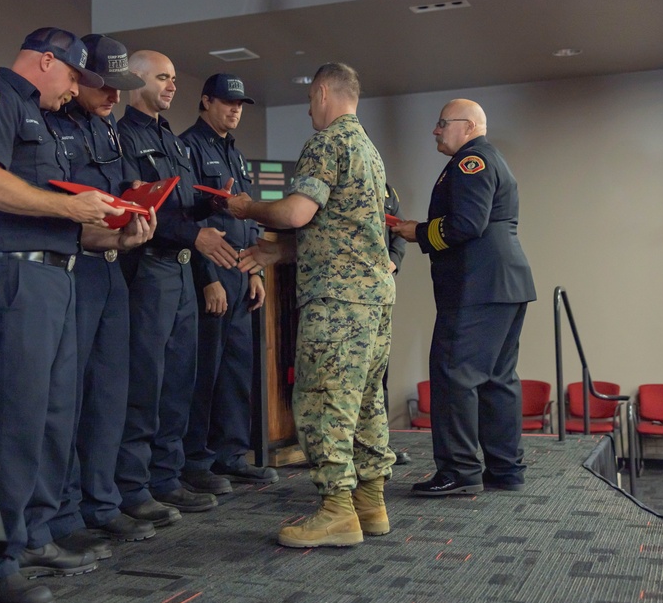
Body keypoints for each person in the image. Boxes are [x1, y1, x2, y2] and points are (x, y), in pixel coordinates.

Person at [0, 27, 120, 603]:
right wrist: (71, 206)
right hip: (16, 277)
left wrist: (113, 232)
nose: (76, 89)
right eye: (73, 76)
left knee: (53, 415)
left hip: (61, 272)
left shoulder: (44, 118)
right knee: (16, 418)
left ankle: (35, 536)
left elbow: (57, 216)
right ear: (45, 61)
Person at [227, 62, 396, 548]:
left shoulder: (327, 142)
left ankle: (336, 511)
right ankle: (370, 503)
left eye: (309, 101)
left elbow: (297, 212)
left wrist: (248, 208)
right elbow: (342, 232)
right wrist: (277, 251)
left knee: (324, 400)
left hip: (338, 303)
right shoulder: (369, 150)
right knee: (365, 402)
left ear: (322, 92)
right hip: (373, 298)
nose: (308, 111)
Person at [42, 35, 158, 560]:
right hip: (71, 271)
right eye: (106, 86)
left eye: (121, 88)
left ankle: (102, 502)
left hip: (111, 267)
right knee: (67, 396)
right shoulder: (51, 126)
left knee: (111, 391)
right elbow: (59, 210)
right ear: (79, 77)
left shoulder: (109, 129)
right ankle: (64, 512)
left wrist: (131, 225)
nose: (115, 96)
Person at [114, 50, 239, 525]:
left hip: (182, 271)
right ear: (137, 82)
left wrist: (214, 209)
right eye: (162, 78)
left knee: (179, 380)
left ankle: (167, 477)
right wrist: (194, 233)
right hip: (148, 268)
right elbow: (138, 211)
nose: (171, 86)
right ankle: (134, 484)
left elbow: (182, 204)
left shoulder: (171, 138)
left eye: (173, 78)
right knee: (146, 380)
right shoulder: (124, 136)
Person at [392, 99, 536, 497]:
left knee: (454, 375)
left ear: (468, 126)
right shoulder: (488, 158)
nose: (435, 131)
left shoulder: (471, 161)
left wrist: (417, 232)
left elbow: (467, 225)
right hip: (505, 284)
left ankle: (459, 471)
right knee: (497, 380)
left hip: (478, 287)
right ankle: (505, 469)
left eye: (441, 123)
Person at [178, 74, 277, 495]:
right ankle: (196, 460)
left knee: (238, 367)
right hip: (211, 276)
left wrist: (255, 269)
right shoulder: (189, 146)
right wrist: (207, 280)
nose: (235, 110)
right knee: (206, 371)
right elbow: (191, 218)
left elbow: (246, 215)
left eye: (240, 104)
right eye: (227, 102)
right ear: (206, 101)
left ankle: (230, 455)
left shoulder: (233, 153)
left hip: (240, 273)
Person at [382, 183, 411, 465]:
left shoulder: (388, 190)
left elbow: (399, 230)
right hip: (345, 293)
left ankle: (379, 444)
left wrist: (393, 261)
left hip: (379, 294)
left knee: (380, 374)